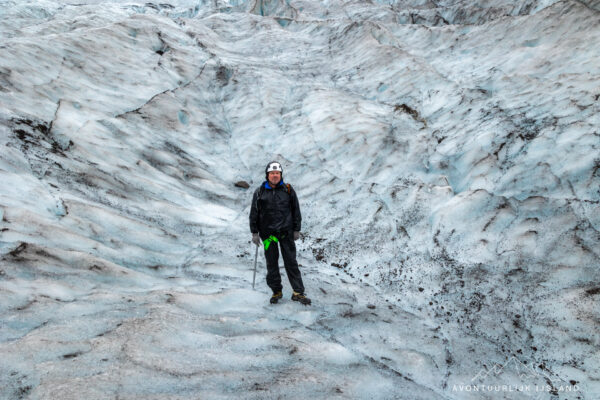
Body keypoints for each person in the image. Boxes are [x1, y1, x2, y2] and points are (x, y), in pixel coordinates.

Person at [249, 161, 311, 305]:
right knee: (272, 263)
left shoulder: (288, 190)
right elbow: (254, 213)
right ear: (267, 175)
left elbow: (296, 210)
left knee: (291, 262)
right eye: (272, 173)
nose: (275, 176)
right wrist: (254, 233)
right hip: (268, 235)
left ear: (280, 174)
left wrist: (297, 229)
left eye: (277, 173)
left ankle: (298, 292)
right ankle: (276, 291)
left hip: (286, 233)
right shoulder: (259, 192)